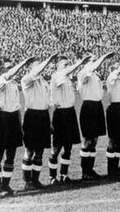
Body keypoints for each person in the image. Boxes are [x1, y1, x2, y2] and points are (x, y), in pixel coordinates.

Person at [0, 57, 34, 196]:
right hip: (2, 119)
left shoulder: (14, 84)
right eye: (7, 68)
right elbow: (7, 77)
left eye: (11, 67)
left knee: (11, 155)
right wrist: (23, 63)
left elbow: (17, 107)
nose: (10, 70)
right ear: (2, 70)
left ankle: (6, 185)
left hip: (13, 119)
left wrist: (20, 125)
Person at [48, 55, 91, 184]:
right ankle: (52, 177)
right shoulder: (56, 76)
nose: (67, 67)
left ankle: (63, 175)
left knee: (68, 146)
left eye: (68, 64)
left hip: (70, 112)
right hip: (60, 113)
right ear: (57, 66)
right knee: (56, 147)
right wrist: (80, 63)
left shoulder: (67, 79)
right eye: (64, 65)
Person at [21, 54, 57, 190]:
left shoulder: (43, 82)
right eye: (37, 64)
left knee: (40, 151)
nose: (40, 67)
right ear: (30, 67)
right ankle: (27, 181)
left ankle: (36, 180)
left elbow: (47, 103)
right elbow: (35, 73)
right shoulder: (27, 79)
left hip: (43, 116)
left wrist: (50, 122)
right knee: (29, 150)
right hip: (32, 115)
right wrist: (48, 60)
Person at [77, 52, 114, 180]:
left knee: (94, 140)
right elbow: (90, 69)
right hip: (88, 107)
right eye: (92, 60)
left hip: (97, 106)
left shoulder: (95, 75)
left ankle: (90, 169)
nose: (94, 63)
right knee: (87, 140)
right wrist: (104, 57)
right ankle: (85, 171)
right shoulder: (82, 73)